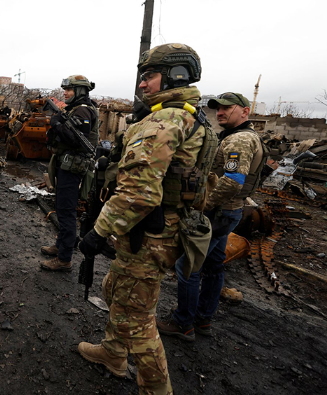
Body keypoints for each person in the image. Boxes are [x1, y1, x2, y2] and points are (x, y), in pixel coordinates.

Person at [77, 43, 211, 395]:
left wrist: (97, 232)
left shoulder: (165, 120)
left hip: (151, 231)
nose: (142, 84)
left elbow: (139, 193)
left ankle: (156, 389)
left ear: (174, 76)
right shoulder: (188, 116)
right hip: (154, 226)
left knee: (135, 316)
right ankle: (112, 353)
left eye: (149, 76)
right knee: (114, 289)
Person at [157, 92, 266, 341]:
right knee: (214, 265)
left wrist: (203, 205)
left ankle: (183, 323)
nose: (220, 112)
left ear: (245, 112)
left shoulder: (239, 140)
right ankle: (203, 319)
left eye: (228, 108)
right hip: (229, 212)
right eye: (218, 108)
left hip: (218, 212)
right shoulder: (239, 137)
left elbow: (233, 180)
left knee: (187, 266)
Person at [40, 75, 98, 271]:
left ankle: (64, 258)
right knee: (62, 206)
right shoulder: (76, 109)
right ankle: (60, 246)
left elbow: (75, 139)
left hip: (73, 166)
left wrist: (56, 124)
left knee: (66, 211)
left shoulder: (83, 110)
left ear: (80, 91)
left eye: (69, 89)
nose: (65, 92)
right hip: (66, 163)